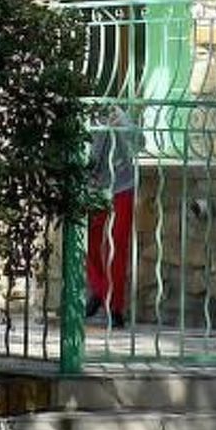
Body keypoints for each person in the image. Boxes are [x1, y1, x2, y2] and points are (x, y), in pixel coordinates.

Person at [84, 102, 140, 326]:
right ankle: (100, 290)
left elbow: (140, 143)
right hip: (95, 187)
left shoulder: (116, 113)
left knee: (118, 245)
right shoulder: (82, 117)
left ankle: (116, 308)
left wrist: (124, 127)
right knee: (87, 240)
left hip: (123, 185)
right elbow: (90, 158)